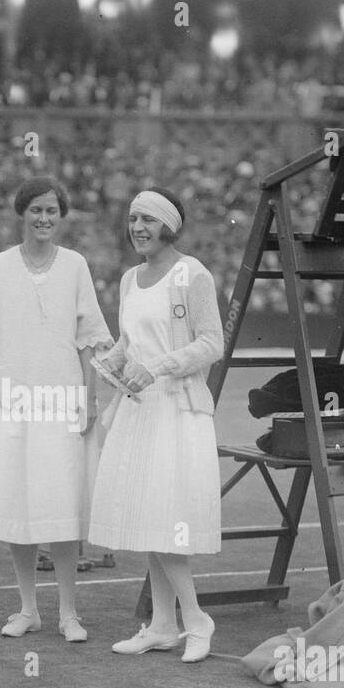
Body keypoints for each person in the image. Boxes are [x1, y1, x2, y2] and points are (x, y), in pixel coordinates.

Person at [0, 176, 111, 642]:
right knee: (16, 509)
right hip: (7, 404)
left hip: (62, 403)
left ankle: (68, 613)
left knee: (62, 509)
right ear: (21, 214)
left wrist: (89, 397)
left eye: (51, 211)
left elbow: (90, 340)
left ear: (61, 217)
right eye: (36, 210)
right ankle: (29, 609)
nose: (44, 218)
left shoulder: (76, 267)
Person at [89, 187, 223, 663]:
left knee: (168, 521)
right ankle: (164, 626)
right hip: (139, 409)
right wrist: (112, 363)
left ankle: (195, 618)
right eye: (133, 220)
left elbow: (212, 343)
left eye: (147, 220)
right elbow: (130, 340)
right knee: (148, 519)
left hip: (179, 410)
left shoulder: (194, 275)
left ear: (168, 226)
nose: (138, 228)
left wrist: (159, 366)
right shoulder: (129, 279)